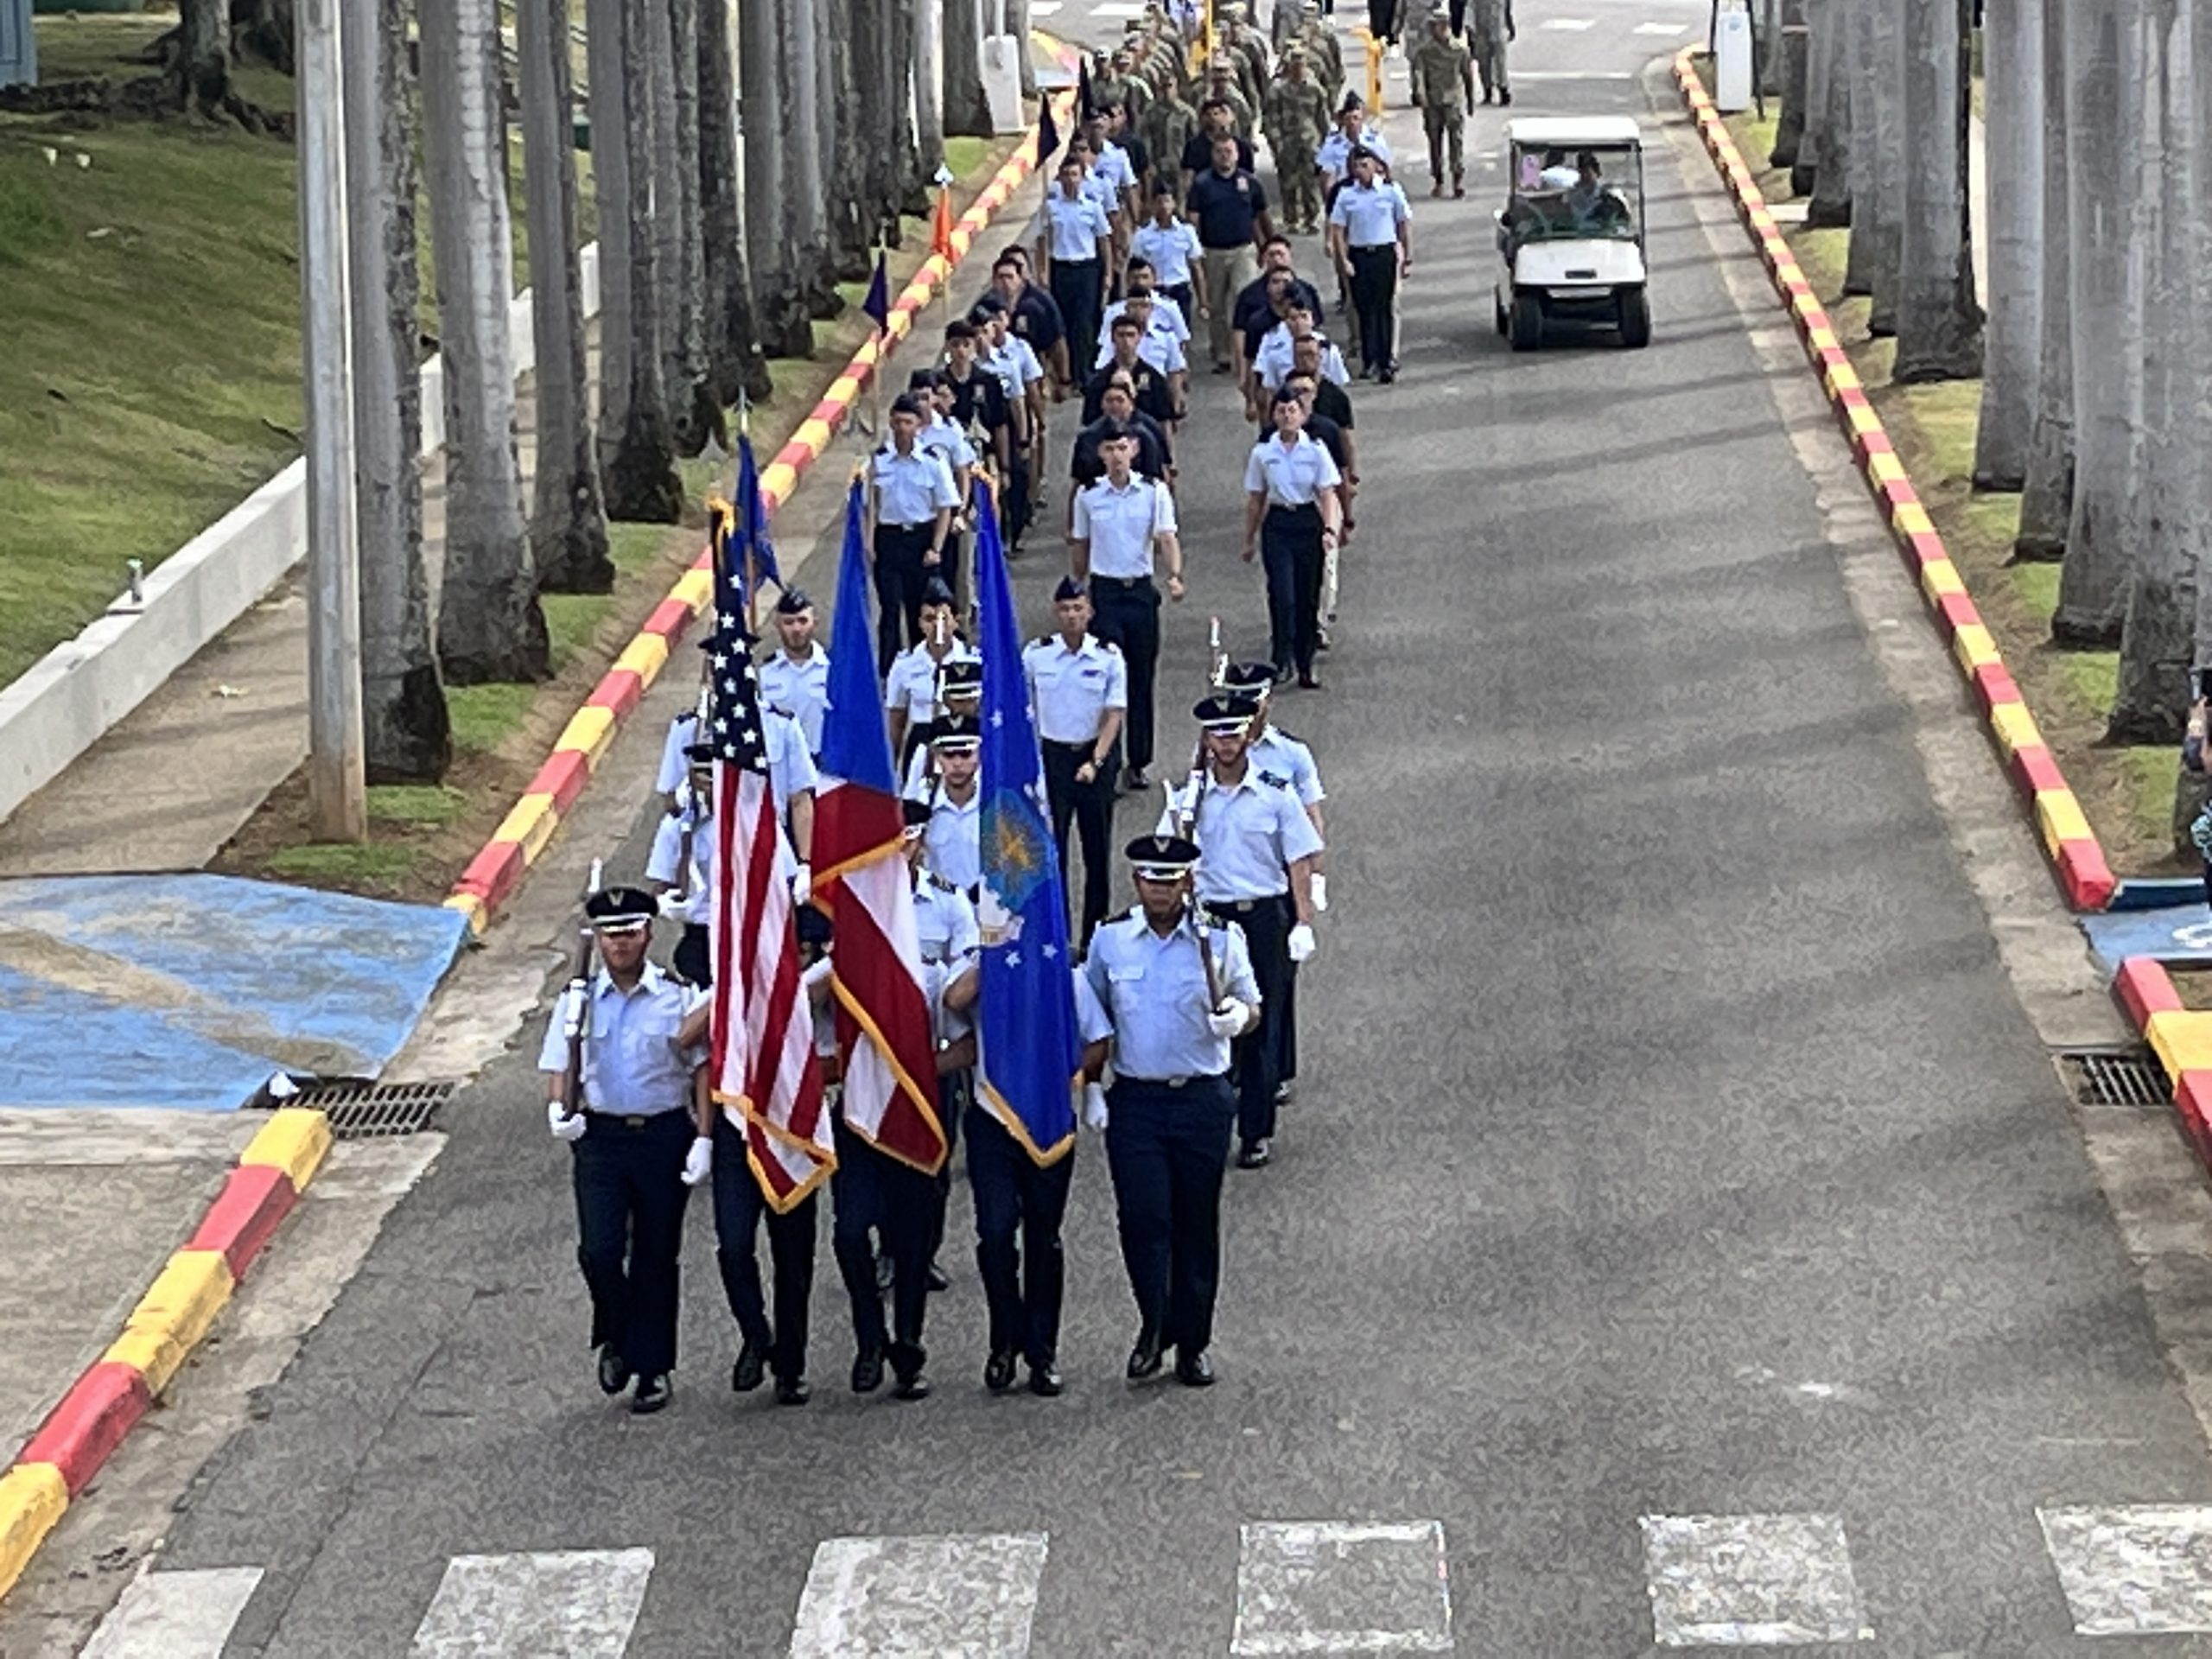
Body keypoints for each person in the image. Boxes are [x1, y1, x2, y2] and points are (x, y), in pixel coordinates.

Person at [1084, 833, 1262, 1387]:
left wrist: (1237, 1017)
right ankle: (1153, 1323)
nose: (1159, 889)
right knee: (1142, 1218)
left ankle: (1193, 1342)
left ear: (1189, 881)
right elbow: (1094, 1019)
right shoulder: (1111, 942)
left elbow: (1252, 1005)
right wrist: (1091, 1083)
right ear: (1136, 882)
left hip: (1201, 1099)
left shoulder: (1220, 938)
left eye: (1169, 879)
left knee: (1193, 1223)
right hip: (1137, 1098)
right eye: (1149, 879)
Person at [539, 887, 713, 1415]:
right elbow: (561, 1065)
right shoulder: (578, 1000)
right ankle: (615, 1333)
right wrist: (559, 1110)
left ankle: (653, 1367)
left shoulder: (677, 996)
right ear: (598, 939)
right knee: (600, 1250)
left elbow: (701, 1070)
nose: (620, 944)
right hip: (602, 1139)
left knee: (657, 1256)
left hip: (662, 1135)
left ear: (648, 935)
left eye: (630, 933)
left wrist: (703, 1135)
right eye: (610, 934)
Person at [1157, 698, 1320, 1171]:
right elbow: (1167, 857)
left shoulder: (1274, 792)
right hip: (1209, 918)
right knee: (1209, 1021)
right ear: (1206, 741)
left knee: (1261, 1023)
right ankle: (1207, 1124)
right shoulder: (1190, 798)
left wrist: (1303, 921)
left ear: (1248, 736)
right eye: (1216, 735)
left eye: (1233, 734)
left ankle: (1254, 1131)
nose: (1225, 744)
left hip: (1262, 915)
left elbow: (1298, 859)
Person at [829, 805, 958, 1401]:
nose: (898, 854)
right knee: (851, 1233)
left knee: (912, 1237)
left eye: (907, 842)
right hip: (858, 1100)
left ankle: (908, 1344)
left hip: (922, 1095)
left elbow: (961, 1002)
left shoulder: (951, 908)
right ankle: (868, 1337)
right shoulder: (846, 916)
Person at [1221, 659, 1327, 1103]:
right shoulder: (1215, 751)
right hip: (1230, 871)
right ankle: (1235, 1069)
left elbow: (1310, 816)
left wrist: (1316, 876)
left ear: (1268, 700)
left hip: (1279, 872)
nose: (1248, 709)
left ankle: (1275, 1068)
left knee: (1276, 982)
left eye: (1255, 700)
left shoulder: (1290, 754)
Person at [1070, 428, 1181, 792]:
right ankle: (1107, 757)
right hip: (1105, 594)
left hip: (1139, 592)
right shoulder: (1088, 496)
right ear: (1101, 454)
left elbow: (1166, 536)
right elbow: (1081, 544)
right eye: (1110, 449)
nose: (1117, 455)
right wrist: (1078, 587)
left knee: (1140, 678)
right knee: (1107, 680)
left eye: (1122, 448)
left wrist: (1174, 575)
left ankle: (1139, 760)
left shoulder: (1152, 490)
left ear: (1133, 451)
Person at [1024, 578, 1128, 945]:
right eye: (1065, 609)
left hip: (1092, 758)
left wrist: (1096, 762)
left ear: (1090, 612)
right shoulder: (1037, 655)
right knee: (1053, 857)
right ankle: (1058, 937)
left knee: (1096, 854)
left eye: (1078, 609)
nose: (1071, 616)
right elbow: (1026, 709)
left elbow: (1114, 714)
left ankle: (1093, 939)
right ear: (1056, 611)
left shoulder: (1108, 656)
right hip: (1053, 759)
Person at [1243, 390, 1344, 689]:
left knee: (1307, 595)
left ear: (1303, 415)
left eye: (1293, 411)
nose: (1287, 416)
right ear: (1274, 416)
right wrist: (1248, 539)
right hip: (1278, 523)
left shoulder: (1315, 450)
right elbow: (1256, 499)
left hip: (1306, 521)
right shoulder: (1263, 453)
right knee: (1282, 595)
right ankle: (1281, 658)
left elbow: (1327, 494)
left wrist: (1329, 529)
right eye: (1282, 411)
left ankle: (1305, 663)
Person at [867, 394, 962, 674]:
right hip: (889, 539)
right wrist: (869, 542)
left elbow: (945, 506)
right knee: (890, 607)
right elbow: (870, 504)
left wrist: (936, 547)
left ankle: (922, 666)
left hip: (920, 538)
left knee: (918, 609)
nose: (901, 428)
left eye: (907, 422)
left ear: (919, 426)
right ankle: (889, 670)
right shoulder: (879, 461)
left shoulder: (933, 461)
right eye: (896, 422)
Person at [1187, 134, 1275, 373]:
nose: (1225, 156)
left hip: (1243, 250)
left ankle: (1247, 350)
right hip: (1213, 250)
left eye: (1229, 151)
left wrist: (1267, 245)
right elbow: (1193, 219)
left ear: (1237, 154)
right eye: (1219, 151)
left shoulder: (1249, 182)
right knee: (1216, 305)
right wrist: (1194, 251)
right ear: (1212, 155)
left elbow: (1261, 215)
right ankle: (1223, 352)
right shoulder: (1202, 183)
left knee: (1243, 298)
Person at [1328, 147, 1413, 383]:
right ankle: (1369, 360)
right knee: (1364, 309)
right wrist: (1343, 259)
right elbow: (1338, 230)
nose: (1360, 170)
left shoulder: (1390, 191)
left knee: (1384, 307)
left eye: (1365, 165)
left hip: (1384, 252)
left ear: (1376, 166)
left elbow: (1404, 224)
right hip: (1359, 255)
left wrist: (1408, 257)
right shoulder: (1347, 195)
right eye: (1356, 166)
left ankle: (1386, 361)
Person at [1036, 158, 1116, 391]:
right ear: (1059, 178)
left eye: (1075, 174)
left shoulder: (1092, 207)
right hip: (1061, 267)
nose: (1071, 180)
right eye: (1066, 175)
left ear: (1082, 178)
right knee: (1064, 322)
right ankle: (1066, 374)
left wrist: (1108, 273)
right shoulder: (1051, 208)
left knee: (1084, 322)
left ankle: (1085, 373)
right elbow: (1043, 239)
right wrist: (1042, 271)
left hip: (1086, 269)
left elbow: (1104, 241)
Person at [884, 579, 977, 764]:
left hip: (960, 742)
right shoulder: (906, 664)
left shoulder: (973, 661)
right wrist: (891, 766)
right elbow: (896, 721)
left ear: (955, 622)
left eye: (943, 619)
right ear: (920, 623)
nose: (937, 626)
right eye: (929, 619)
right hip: (922, 743)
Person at [909, 714, 984, 897]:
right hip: (938, 908)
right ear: (936, 756)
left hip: (989, 911)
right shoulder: (921, 805)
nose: (957, 763)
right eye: (948, 754)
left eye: (966, 754)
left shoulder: (995, 806)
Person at [1264, 48, 1331, 234]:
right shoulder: (1278, 90)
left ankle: (1312, 218)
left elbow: (1322, 117)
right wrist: (1276, 142)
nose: (1297, 68)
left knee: (1310, 181)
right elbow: (1270, 118)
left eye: (1301, 64)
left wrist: (1326, 144)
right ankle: (1291, 218)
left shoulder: (1314, 88)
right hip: (1287, 142)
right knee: (1288, 181)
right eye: (1294, 64)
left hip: (1310, 142)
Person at [758, 586, 830, 757]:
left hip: (823, 763)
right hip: (782, 764)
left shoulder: (832, 670)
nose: (797, 629)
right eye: (789, 622)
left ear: (815, 622)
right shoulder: (765, 673)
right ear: (778, 625)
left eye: (803, 621)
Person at [1408, 11, 1474, 197]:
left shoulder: (1460, 50)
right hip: (1432, 102)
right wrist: (1420, 94)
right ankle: (1438, 178)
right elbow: (1419, 74)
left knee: (1457, 141)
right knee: (1435, 142)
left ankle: (1457, 178)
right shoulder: (1424, 52)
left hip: (1453, 100)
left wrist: (1470, 101)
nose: (1441, 29)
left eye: (1444, 25)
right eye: (1438, 25)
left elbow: (1467, 76)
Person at [1084, 315, 1180, 427]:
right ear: (1112, 338)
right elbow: (1090, 424)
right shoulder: (1099, 381)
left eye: (1131, 335)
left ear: (1139, 337)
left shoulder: (1154, 378)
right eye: (1121, 335)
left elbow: (1164, 421)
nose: (1126, 341)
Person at [1071, 383, 1174, 487]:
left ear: (1131, 404)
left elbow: (1159, 477)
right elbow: (1078, 481)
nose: (1115, 405)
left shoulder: (1146, 435)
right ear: (1102, 405)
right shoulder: (1088, 437)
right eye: (1109, 401)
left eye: (1120, 400)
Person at [1129, 185, 1205, 324]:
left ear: (1174, 203)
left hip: (1179, 289)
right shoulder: (1142, 234)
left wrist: (1203, 301)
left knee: (1181, 334)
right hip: (1154, 291)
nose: (1163, 206)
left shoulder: (1186, 231)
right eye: (1159, 202)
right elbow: (1135, 269)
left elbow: (1196, 266)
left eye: (1167, 201)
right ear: (1151, 205)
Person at [1470, 0, 1514, 105]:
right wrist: (1470, 28)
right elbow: (1470, 8)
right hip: (1481, 28)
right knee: (1483, 61)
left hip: (1498, 28)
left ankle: (1503, 89)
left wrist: (1510, 24)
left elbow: (1506, 8)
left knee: (1500, 62)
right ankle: (1487, 89)